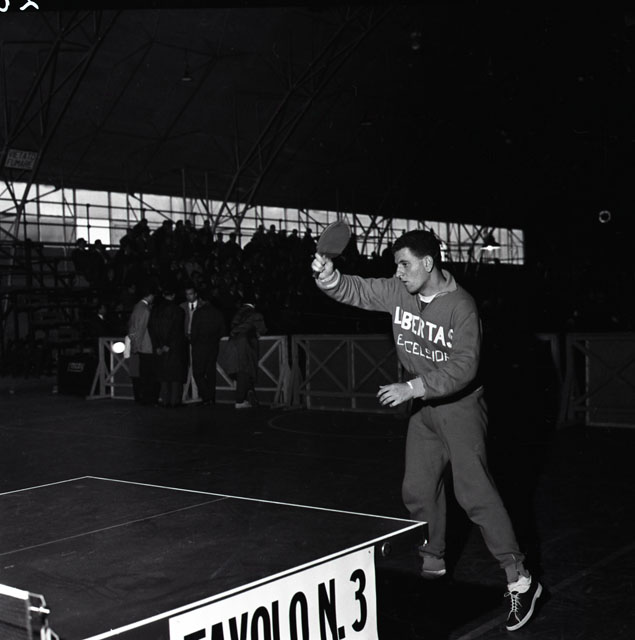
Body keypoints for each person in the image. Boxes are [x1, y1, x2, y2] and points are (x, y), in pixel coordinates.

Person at [311, 229, 542, 632]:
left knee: (474, 494)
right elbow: (356, 290)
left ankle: (520, 579)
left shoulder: (461, 306)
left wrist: (412, 387)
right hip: (424, 410)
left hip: (459, 407)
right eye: (396, 266)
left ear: (428, 263)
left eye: (404, 265)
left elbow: (464, 366)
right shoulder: (399, 291)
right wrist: (328, 276)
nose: (398, 273)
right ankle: (433, 565)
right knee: (417, 490)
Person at [182, 285, 226, 405]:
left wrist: (193, 341)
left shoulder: (198, 313)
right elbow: (222, 331)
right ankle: (211, 397)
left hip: (199, 347)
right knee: (211, 372)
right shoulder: (217, 313)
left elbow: (194, 331)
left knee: (198, 372)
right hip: (213, 346)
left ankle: (206, 396)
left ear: (201, 299)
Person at [225, 296, 267, 409]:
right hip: (246, 345)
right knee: (244, 371)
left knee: (239, 371)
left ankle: (248, 393)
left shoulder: (237, 314)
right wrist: (257, 333)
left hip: (232, 344)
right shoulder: (256, 315)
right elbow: (262, 329)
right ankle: (240, 400)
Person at [148, 287, 187, 408]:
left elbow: (151, 329)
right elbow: (177, 331)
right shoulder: (178, 310)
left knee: (163, 375)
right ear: (173, 295)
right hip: (174, 347)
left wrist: (157, 346)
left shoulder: (155, 311)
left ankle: (164, 399)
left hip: (159, 346)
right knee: (175, 376)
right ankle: (175, 400)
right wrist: (168, 345)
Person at [127, 286, 159, 406]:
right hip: (146, 346)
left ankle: (145, 398)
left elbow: (132, 326)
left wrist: (134, 343)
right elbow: (141, 330)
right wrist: (137, 345)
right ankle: (149, 399)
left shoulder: (137, 307)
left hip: (140, 346)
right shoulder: (145, 310)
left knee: (143, 373)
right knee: (149, 374)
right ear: (150, 295)